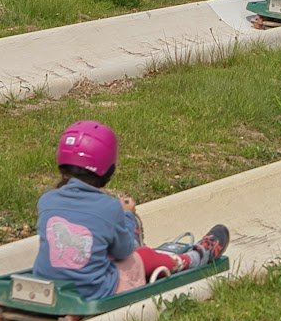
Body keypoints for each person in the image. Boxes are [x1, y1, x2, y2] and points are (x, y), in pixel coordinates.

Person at [31, 119, 229, 297]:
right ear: (108, 170)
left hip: (49, 284)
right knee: (141, 257)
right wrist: (127, 216)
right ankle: (192, 258)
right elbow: (124, 251)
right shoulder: (109, 208)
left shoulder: (46, 200)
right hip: (93, 289)